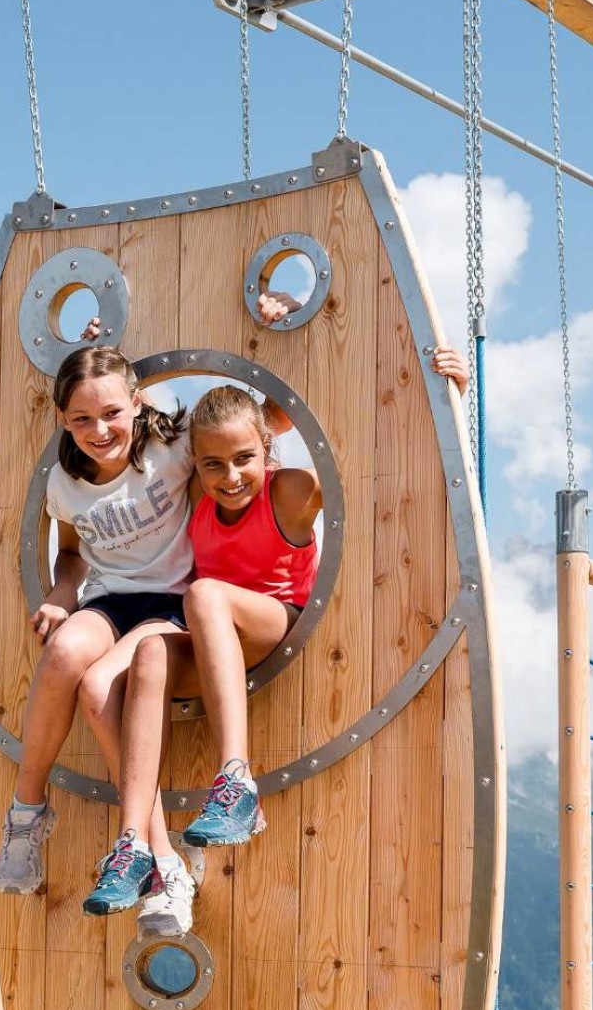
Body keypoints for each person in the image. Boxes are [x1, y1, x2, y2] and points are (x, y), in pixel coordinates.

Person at [95, 345, 469, 933]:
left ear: (265, 451)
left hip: (276, 620)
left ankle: (235, 781)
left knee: (203, 594)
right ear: (196, 464)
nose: (230, 476)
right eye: (212, 464)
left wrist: (452, 399)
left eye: (244, 458)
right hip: (214, 639)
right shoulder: (200, 496)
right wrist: (103, 349)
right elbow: (131, 414)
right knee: (147, 653)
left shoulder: (287, 492)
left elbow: (383, 468)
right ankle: (135, 842)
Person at [0, 343, 192, 905]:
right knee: (62, 655)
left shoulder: (171, 450)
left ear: (134, 404)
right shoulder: (65, 482)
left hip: (172, 603)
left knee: (98, 687)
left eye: (111, 413)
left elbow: (256, 424)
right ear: (63, 421)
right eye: (82, 419)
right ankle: (27, 813)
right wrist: (60, 594)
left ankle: (157, 854)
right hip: (111, 598)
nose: (99, 429)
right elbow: (72, 554)